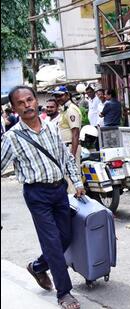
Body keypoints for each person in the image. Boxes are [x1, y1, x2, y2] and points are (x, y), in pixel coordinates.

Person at [1, 85, 85, 309]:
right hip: (37, 194)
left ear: (36, 100)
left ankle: (38, 266)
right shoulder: (12, 137)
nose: (27, 105)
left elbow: (66, 157)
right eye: (21, 103)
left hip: (59, 190)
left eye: (29, 100)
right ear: (14, 108)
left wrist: (76, 182)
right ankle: (64, 293)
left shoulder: (51, 127)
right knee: (53, 243)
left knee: (66, 237)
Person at [53, 86, 82, 161]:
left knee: (74, 172)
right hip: (65, 147)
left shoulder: (71, 109)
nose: (58, 98)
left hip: (71, 147)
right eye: (56, 96)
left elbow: (75, 133)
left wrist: (72, 155)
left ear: (67, 95)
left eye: (60, 95)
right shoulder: (65, 109)